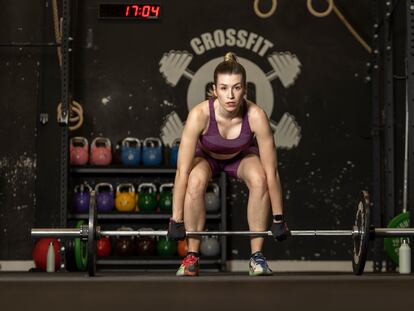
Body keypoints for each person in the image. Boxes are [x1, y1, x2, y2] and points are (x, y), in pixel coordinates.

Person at [167, 52, 290, 276]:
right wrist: (176, 219)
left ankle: (257, 257)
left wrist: (278, 217)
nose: (230, 95)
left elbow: (272, 171)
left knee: (260, 177)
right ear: (214, 90)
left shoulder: (256, 116)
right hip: (206, 157)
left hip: (240, 157)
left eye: (236, 87)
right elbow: (182, 171)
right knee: (194, 180)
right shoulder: (199, 115)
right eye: (224, 88)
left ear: (245, 89)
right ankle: (192, 256)